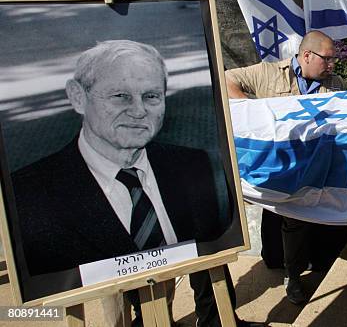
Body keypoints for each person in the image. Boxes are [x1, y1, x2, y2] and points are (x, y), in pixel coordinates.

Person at [10, 40, 235, 326]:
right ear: (78, 97)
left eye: (152, 96)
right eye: (120, 96)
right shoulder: (30, 194)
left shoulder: (196, 164)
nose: (139, 111)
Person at [225, 30, 346, 305]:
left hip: (314, 167)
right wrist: (252, 112)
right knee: (290, 223)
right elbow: (227, 78)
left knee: (304, 222)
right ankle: (291, 275)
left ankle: (302, 271)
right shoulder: (269, 73)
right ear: (306, 55)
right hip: (278, 169)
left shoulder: (335, 83)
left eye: (332, 60)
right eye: (327, 59)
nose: (331, 66)